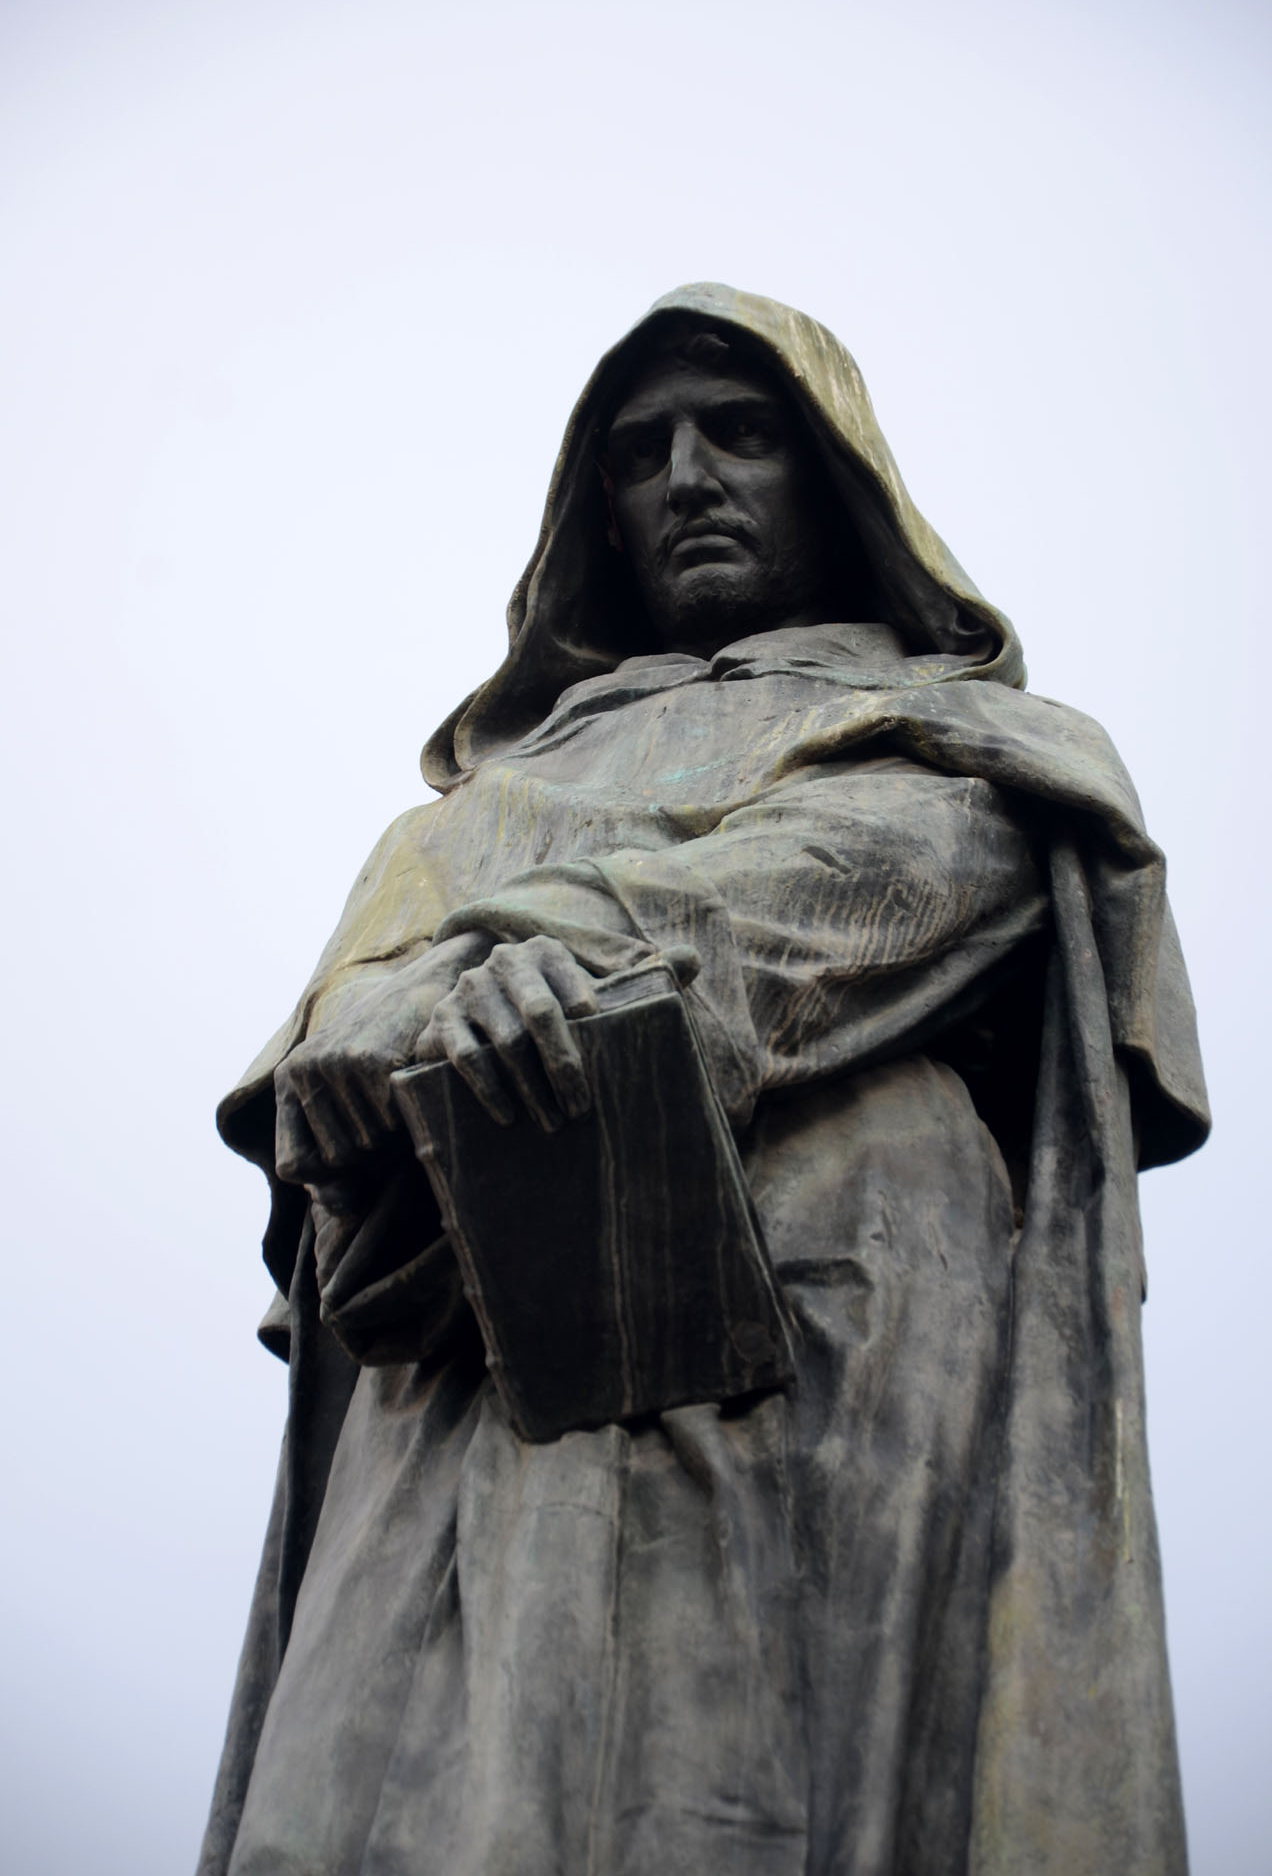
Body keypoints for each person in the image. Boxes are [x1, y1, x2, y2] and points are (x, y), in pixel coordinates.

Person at [199, 284, 1209, 1876]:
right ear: (596, 507)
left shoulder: (960, 739)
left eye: (740, 432)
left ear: (838, 474)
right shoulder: (471, 806)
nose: (688, 474)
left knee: (766, 1781)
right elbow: (334, 1043)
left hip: (834, 1321)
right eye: (642, 448)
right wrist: (388, 1032)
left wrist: (541, 954)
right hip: (468, 1384)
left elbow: (874, 884)